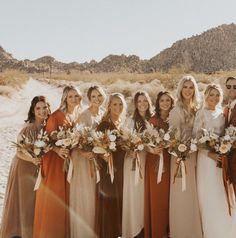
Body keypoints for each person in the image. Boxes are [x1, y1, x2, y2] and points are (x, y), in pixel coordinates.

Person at [33, 86, 81, 238]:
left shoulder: (75, 115)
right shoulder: (55, 116)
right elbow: (46, 141)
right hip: (54, 161)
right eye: (70, 96)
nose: (74, 99)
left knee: (65, 200)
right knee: (55, 198)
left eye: (77, 96)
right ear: (65, 98)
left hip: (67, 160)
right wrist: (57, 150)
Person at [0, 96, 50, 238]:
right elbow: (19, 151)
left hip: (35, 167)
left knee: (34, 201)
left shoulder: (47, 126)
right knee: (25, 201)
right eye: (38, 108)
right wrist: (32, 159)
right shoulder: (28, 129)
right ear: (33, 111)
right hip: (23, 167)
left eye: (44, 107)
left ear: (48, 108)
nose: (42, 111)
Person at [193, 84, 236, 238]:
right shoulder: (201, 113)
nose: (215, 98)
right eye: (211, 95)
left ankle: (222, 230)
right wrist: (209, 154)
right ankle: (208, 231)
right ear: (206, 96)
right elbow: (196, 139)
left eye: (217, 95)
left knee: (219, 192)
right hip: (206, 160)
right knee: (207, 193)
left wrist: (223, 148)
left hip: (220, 158)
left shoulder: (222, 113)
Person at [169, 75, 202, 238]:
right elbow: (172, 137)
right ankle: (181, 231)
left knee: (194, 193)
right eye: (185, 87)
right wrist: (181, 153)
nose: (188, 90)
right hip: (179, 157)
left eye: (191, 87)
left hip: (196, 155)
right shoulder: (176, 110)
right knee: (182, 193)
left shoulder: (197, 109)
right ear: (180, 89)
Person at [70, 85, 106, 238]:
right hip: (83, 162)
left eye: (99, 96)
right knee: (86, 198)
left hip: (98, 161)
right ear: (89, 99)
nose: (97, 99)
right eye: (93, 97)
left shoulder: (103, 114)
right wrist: (84, 153)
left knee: (96, 199)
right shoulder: (84, 116)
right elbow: (74, 140)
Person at [122, 91, 153, 238]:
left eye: (145, 101)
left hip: (148, 162)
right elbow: (123, 142)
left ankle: (145, 227)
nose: (142, 104)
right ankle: (133, 229)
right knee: (134, 195)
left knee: (145, 195)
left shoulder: (152, 120)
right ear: (135, 104)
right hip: (133, 163)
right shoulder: (130, 121)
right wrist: (129, 150)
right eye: (139, 101)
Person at [95, 93, 127, 238]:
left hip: (121, 170)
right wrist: (104, 156)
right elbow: (96, 146)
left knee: (119, 202)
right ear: (108, 106)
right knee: (109, 204)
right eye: (114, 104)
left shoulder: (122, 123)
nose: (118, 107)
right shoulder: (104, 125)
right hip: (108, 171)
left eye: (120, 104)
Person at [144, 91, 174, 238]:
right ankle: (156, 231)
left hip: (171, 160)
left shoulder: (174, 119)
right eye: (162, 100)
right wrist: (152, 149)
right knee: (157, 197)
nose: (165, 103)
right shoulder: (153, 120)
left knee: (170, 198)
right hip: (155, 161)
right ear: (158, 103)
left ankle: (169, 231)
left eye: (168, 100)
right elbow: (145, 144)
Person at [224, 76, 236, 196]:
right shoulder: (226, 109)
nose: (232, 89)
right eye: (228, 87)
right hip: (230, 163)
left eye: (235, 87)